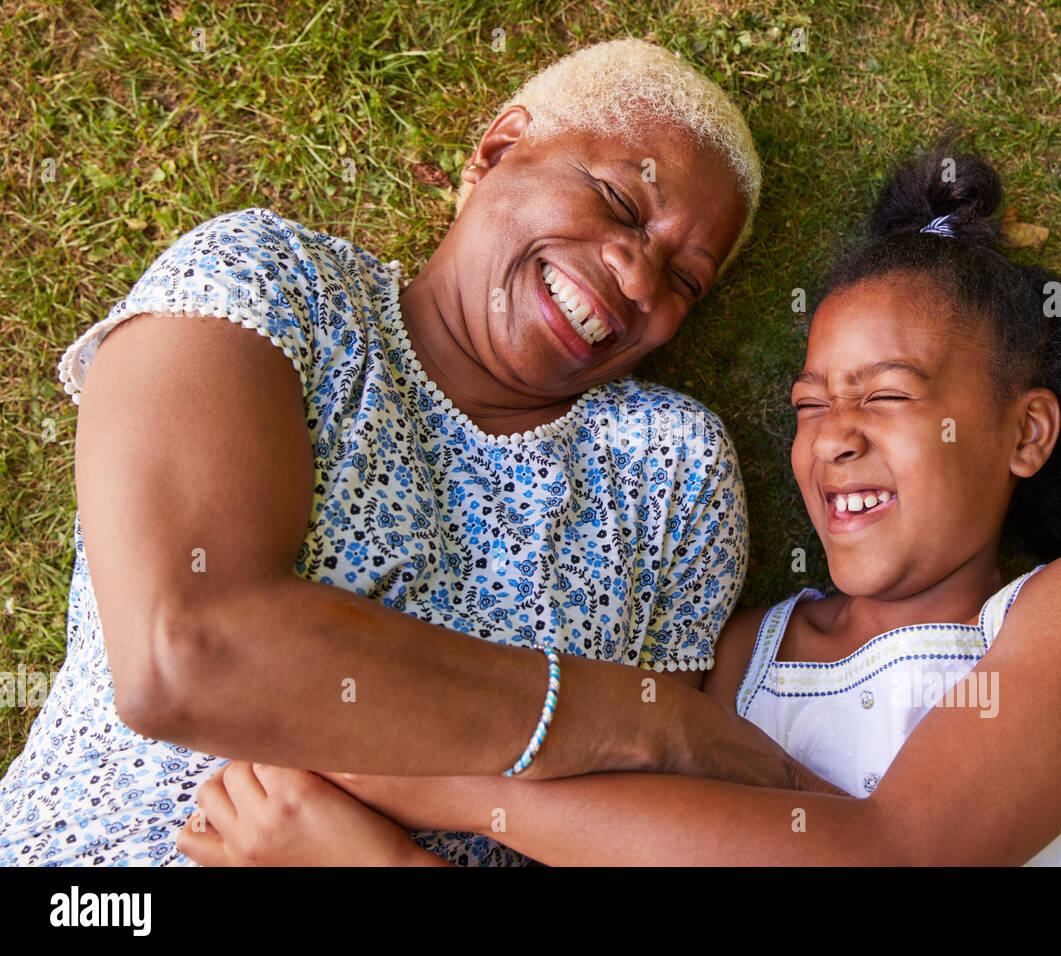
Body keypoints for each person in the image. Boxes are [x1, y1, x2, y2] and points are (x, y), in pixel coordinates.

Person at [179, 144, 1061, 866]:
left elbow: (897, 848)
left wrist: (406, 786)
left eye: (885, 394)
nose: (831, 435)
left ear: (1025, 433)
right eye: (807, 405)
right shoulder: (742, 658)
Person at [0, 38, 820, 868]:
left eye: (686, 280)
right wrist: (649, 720)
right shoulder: (272, 285)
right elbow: (191, 651)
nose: (641, 281)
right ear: (497, 151)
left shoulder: (672, 469)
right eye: (620, 202)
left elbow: (622, 836)